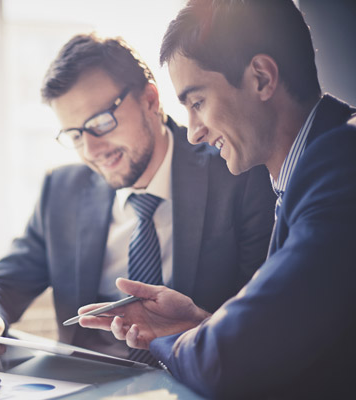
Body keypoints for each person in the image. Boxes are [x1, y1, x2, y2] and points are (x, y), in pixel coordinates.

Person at [0, 33, 276, 365]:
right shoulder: (62, 190)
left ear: (149, 100)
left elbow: (261, 323)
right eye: (75, 135)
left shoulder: (236, 173)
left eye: (101, 122)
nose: (91, 150)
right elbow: (1, 285)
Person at [77, 1, 356, 398]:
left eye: (197, 102)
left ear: (261, 77)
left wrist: (171, 341)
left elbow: (225, 360)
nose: (193, 133)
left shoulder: (341, 165)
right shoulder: (311, 168)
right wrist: (197, 324)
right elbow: (284, 341)